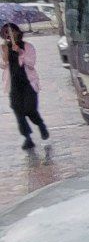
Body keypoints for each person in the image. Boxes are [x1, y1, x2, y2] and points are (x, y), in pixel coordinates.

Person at [1, 21, 47, 151]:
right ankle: (27, 138)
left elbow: (31, 63)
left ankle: (41, 125)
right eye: (5, 33)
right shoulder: (4, 48)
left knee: (30, 109)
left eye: (10, 31)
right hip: (13, 85)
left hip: (28, 83)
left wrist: (20, 52)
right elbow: (4, 65)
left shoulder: (28, 47)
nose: (8, 34)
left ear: (17, 32)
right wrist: (5, 52)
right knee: (18, 112)